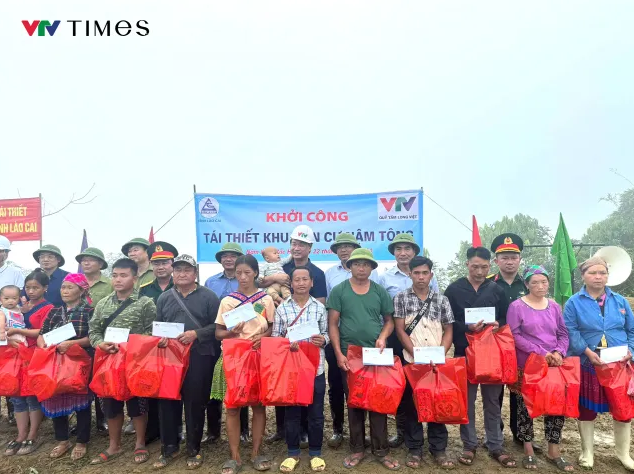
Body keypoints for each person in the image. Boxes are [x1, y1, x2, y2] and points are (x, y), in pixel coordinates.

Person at [328, 248, 400, 471]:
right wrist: (339, 354)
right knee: (356, 402)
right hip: (351, 356)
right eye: (357, 264)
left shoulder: (379, 291)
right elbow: (332, 324)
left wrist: (382, 336)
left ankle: (381, 450)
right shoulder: (340, 290)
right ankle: (357, 448)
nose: (361, 268)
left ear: (371, 268)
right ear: (350, 266)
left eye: (366, 264)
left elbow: (389, 321)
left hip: (376, 355)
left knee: (378, 402)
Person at [444, 246, 515, 468]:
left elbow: (506, 317)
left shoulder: (496, 289)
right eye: (475, 266)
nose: (479, 271)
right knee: (467, 402)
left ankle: (495, 445)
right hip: (464, 352)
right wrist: (466, 326)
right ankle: (469, 444)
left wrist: (498, 324)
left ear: (490, 266)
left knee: (493, 401)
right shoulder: (454, 289)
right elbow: (447, 320)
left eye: (484, 267)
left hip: (491, 353)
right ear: (467, 264)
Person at [564, 256, 634, 471]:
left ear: (607, 276)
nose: (598, 277)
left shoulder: (620, 301)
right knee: (586, 409)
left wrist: (631, 351)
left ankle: (624, 453)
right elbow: (571, 331)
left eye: (602, 273)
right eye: (593, 273)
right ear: (583, 275)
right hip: (589, 363)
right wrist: (586, 351)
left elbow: (631, 330)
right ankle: (587, 452)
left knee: (623, 409)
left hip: (620, 365)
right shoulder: (573, 302)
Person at [153, 254, 220, 469]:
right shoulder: (165, 297)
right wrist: (160, 338)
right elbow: (158, 325)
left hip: (199, 355)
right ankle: (169, 447)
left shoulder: (209, 296)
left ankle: (194, 448)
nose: (182, 274)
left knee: (194, 402)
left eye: (187, 270)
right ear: (173, 272)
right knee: (168, 401)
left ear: (195, 273)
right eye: (178, 270)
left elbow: (218, 328)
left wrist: (197, 334)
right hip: (170, 357)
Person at [261, 225, 327, 445]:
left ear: (310, 247)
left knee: (308, 385)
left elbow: (320, 305)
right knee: (284, 385)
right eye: (294, 243)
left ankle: (307, 431)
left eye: (302, 244)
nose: (297, 248)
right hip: (284, 327)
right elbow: (262, 284)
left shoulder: (317, 272)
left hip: (307, 338)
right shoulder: (282, 266)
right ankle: (283, 430)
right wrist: (279, 295)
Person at [88, 258, 157, 465]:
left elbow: (151, 331)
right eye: (115, 275)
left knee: (137, 403)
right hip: (108, 362)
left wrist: (132, 346)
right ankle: (114, 445)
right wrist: (100, 344)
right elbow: (94, 330)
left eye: (124, 275)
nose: (118, 280)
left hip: (134, 363)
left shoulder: (145, 303)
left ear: (135, 278)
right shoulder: (103, 303)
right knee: (111, 403)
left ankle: (139, 443)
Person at [213, 254, 276, 474]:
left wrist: (265, 336)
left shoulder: (265, 299)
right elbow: (218, 333)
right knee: (232, 407)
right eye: (239, 273)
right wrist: (231, 332)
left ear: (256, 273)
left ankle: (256, 453)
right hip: (235, 359)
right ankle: (235, 456)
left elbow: (271, 327)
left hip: (258, 357)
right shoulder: (228, 301)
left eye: (247, 273)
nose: (242, 277)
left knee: (258, 406)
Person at [507, 265, 573, 471]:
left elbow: (563, 333)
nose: (540, 286)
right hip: (527, 364)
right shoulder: (517, 306)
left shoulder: (554, 306)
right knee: (525, 407)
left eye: (544, 281)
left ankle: (554, 449)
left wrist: (559, 352)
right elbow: (515, 335)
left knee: (555, 405)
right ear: (526, 284)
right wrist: (539, 353)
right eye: (534, 282)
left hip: (554, 364)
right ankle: (528, 448)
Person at [394, 256, 456, 469]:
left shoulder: (442, 300)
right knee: (412, 405)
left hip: (437, 362)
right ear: (410, 274)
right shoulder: (401, 298)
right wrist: (416, 353)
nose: (421, 277)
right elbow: (400, 329)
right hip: (412, 361)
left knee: (437, 402)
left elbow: (449, 329)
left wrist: (441, 353)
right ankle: (414, 449)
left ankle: (439, 448)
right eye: (416, 273)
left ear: (431, 274)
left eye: (425, 273)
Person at [273, 266, 329, 473]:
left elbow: (326, 334)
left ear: (311, 283)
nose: (301, 283)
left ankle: (315, 452)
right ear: (291, 283)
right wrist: (287, 343)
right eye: (297, 279)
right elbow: (277, 338)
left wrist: (323, 339)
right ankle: (293, 453)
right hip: (292, 370)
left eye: (305, 279)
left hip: (315, 369)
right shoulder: (282, 308)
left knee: (316, 413)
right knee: (293, 413)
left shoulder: (319, 308)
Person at [37, 273, 95, 461]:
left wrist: (72, 344)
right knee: (55, 396)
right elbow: (42, 334)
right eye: (63, 287)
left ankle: (81, 441)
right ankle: (62, 440)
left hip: (79, 362)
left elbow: (93, 337)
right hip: (54, 363)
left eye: (70, 287)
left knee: (81, 400)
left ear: (81, 290)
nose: (65, 291)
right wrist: (43, 345)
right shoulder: (54, 311)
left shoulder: (89, 311)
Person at [378, 233, 422, 448]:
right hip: (395, 338)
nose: (403, 253)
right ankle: (402, 432)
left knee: (420, 386)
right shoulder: (385, 278)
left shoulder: (425, 275)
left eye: (407, 248)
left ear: (414, 252)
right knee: (399, 385)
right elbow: (381, 311)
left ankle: (421, 433)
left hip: (421, 338)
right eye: (398, 249)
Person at [203, 242, 249, 444]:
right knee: (214, 385)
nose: (228, 259)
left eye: (233, 255)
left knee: (242, 385)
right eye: (225, 256)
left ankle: (243, 431)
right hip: (218, 337)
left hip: (241, 341)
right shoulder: (211, 282)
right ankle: (213, 431)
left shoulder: (247, 281)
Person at [3, 270, 53, 457]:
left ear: (45, 288)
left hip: (34, 354)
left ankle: (33, 434)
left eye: (35, 287)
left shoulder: (48, 307)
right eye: (28, 287)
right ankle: (20, 434)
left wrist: (20, 332)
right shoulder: (18, 306)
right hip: (14, 354)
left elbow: (43, 331)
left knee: (31, 394)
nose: (31, 291)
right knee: (17, 396)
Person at [488, 233, 529, 449]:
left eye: (513, 256)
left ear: (520, 259)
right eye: (504, 257)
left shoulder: (528, 284)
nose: (509, 261)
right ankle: (496, 434)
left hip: (522, 348)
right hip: (495, 346)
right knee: (494, 393)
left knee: (519, 392)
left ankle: (520, 434)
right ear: (496, 261)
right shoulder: (488, 284)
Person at [323, 233, 363, 448]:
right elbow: (328, 309)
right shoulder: (329, 274)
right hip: (337, 339)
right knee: (337, 384)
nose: (344, 250)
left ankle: (363, 431)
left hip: (364, 341)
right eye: (341, 247)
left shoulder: (372, 275)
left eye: (349, 246)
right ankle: (338, 429)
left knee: (363, 384)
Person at [139, 241, 179, 444]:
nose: (160, 267)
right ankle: (153, 429)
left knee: (175, 387)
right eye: (156, 263)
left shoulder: (181, 286)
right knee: (152, 387)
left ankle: (176, 430)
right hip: (152, 345)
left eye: (165, 263)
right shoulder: (144, 289)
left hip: (178, 345)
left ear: (173, 265)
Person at [76, 246, 111, 433]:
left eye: (90, 260)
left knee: (100, 379)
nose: (86, 263)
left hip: (102, 337)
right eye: (83, 260)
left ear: (100, 264)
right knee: (79, 380)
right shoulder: (75, 283)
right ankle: (81, 421)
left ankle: (102, 419)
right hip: (78, 338)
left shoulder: (110, 284)